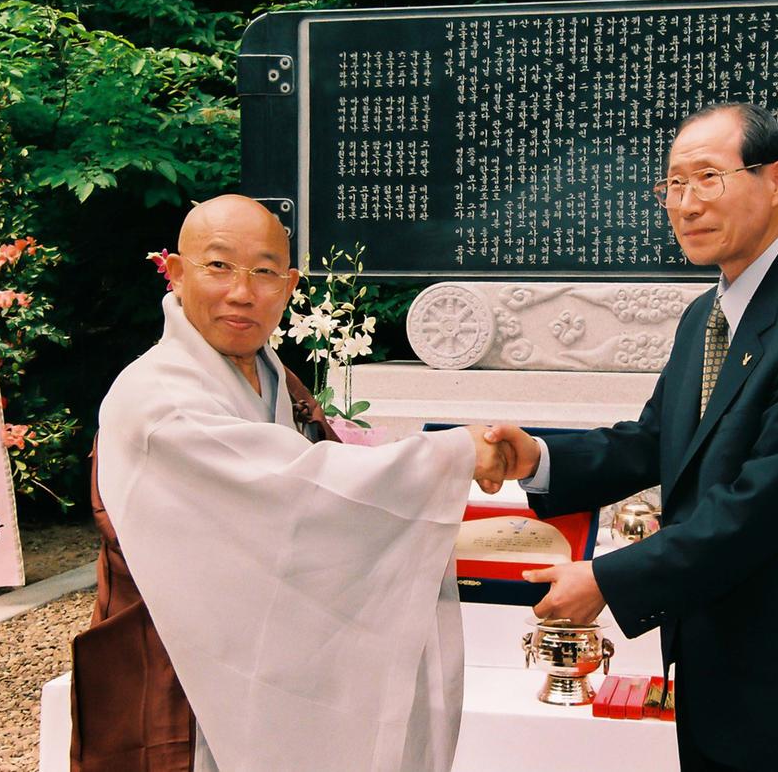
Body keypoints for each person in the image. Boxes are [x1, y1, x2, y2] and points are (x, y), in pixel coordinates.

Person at [486, 102, 778, 771]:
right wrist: (538, 459)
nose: (685, 204)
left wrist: (606, 578)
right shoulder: (704, 316)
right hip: (716, 680)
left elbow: (754, 508)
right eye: (673, 185)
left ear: (776, 180)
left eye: (707, 177)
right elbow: (656, 442)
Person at [71, 194, 509, 772]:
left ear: (290, 284)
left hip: (256, 651)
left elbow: (305, 507)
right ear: (175, 273)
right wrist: (451, 456)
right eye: (218, 265)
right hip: (173, 665)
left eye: (265, 271)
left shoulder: (268, 373)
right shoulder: (158, 398)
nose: (242, 292)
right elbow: (297, 488)